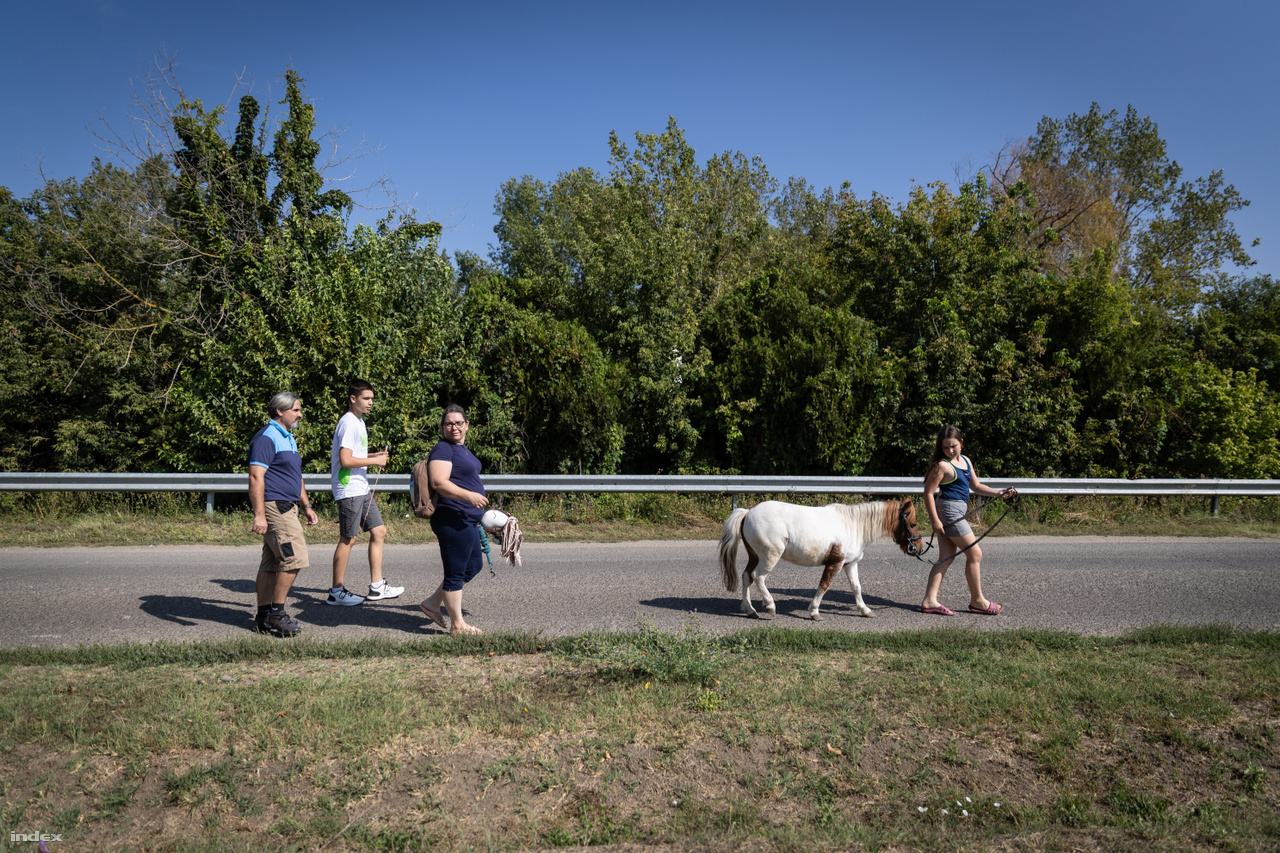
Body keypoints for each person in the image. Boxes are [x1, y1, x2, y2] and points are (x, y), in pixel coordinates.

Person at [920, 425, 1016, 616]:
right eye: (945, 448)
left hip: (955, 512)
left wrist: (999, 492)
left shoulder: (965, 461)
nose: (950, 451)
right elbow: (928, 494)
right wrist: (934, 521)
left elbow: (976, 486)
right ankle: (978, 601)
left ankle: (930, 601)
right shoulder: (942, 466)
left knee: (946, 558)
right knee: (975, 554)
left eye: (953, 446)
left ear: (961, 442)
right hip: (949, 513)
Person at [248, 392, 320, 637]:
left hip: (289, 506)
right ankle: (277, 615)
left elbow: (295, 476)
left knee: (270, 565)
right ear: (280, 411)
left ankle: (263, 617)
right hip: (275, 507)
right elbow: (256, 476)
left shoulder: (287, 437)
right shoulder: (267, 438)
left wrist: (307, 506)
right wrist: (259, 515)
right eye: (296, 410)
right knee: (294, 559)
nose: (300, 414)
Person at [327, 379, 404, 605]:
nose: (371, 402)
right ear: (353, 399)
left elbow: (354, 456)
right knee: (348, 539)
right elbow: (345, 460)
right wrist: (374, 461)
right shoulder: (349, 422)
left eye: (372, 398)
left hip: (361, 487)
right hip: (349, 488)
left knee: (379, 531)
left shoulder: (358, 422)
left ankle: (377, 587)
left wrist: (373, 457)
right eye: (366, 398)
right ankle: (336, 591)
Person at [418, 404, 488, 635]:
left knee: (473, 566)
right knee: (455, 572)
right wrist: (469, 496)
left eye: (459, 423)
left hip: (466, 518)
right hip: (452, 517)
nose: (454, 427)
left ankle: (431, 603)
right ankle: (458, 625)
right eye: (449, 423)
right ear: (442, 427)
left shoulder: (462, 449)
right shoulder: (443, 448)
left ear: (467, 425)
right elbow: (438, 482)